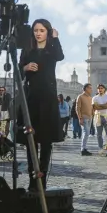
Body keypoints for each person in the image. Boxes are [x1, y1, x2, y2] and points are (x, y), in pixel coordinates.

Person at [18, 18, 64, 191]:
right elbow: (17, 69)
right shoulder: (27, 50)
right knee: (31, 140)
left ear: (48, 32)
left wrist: (56, 38)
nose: (38, 33)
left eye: (42, 30)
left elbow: (60, 56)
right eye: (36, 30)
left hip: (48, 98)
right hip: (31, 98)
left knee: (46, 141)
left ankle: (42, 177)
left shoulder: (52, 50)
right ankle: (32, 177)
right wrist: (25, 67)